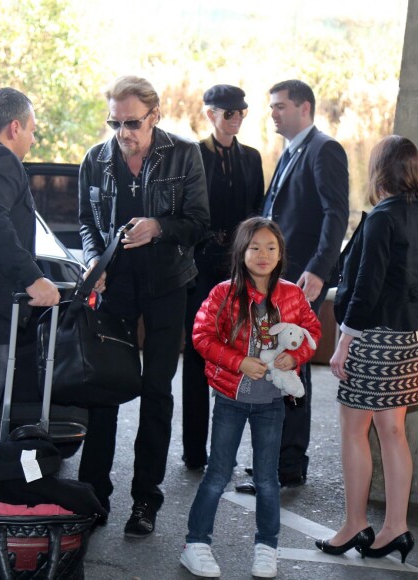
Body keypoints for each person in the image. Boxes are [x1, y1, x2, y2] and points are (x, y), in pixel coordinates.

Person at [77, 75, 209, 537]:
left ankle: (145, 502)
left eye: (131, 122)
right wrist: (96, 260)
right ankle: (92, 497)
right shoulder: (95, 159)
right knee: (104, 390)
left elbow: (198, 221)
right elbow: (85, 225)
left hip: (168, 285)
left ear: (155, 116)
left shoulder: (183, 153)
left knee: (156, 391)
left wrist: (159, 227)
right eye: (114, 121)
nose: (122, 132)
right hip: (113, 291)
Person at [314, 135, 418, 563]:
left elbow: (367, 286)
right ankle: (396, 528)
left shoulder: (382, 219)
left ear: (380, 169)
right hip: (408, 337)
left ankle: (354, 524)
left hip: (372, 337)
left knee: (354, 429)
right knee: (393, 432)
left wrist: (344, 340)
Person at [180, 217, 321, 578]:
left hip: (272, 402)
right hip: (230, 397)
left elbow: (311, 330)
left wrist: (297, 356)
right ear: (241, 252)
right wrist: (239, 362)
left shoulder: (292, 294)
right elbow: (201, 337)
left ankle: (266, 548)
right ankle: (195, 544)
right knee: (217, 473)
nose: (263, 255)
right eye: (255, 247)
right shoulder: (222, 293)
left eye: (271, 248)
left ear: (281, 254)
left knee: (268, 479)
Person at [237, 79, 349, 493]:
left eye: (279, 106)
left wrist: (320, 269)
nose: (273, 113)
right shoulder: (291, 151)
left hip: (303, 281)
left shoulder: (325, 149)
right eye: (272, 107)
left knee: (291, 366)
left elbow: (335, 214)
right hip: (278, 281)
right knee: (275, 366)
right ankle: (277, 461)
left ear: (304, 108)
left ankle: (286, 465)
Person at [182, 84, 264, 471]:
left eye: (241, 113)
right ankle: (195, 451)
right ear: (209, 114)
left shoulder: (251, 157)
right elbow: (186, 210)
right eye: (228, 112)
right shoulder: (193, 153)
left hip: (238, 270)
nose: (235, 119)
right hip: (199, 269)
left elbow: (258, 211)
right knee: (201, 356)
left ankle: (224, 452)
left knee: (236, 355)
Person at [0, 88, 60, 449]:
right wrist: (33, 278)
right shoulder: (1, 160)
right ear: (13, 127)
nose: (33, 138)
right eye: (31, 130)